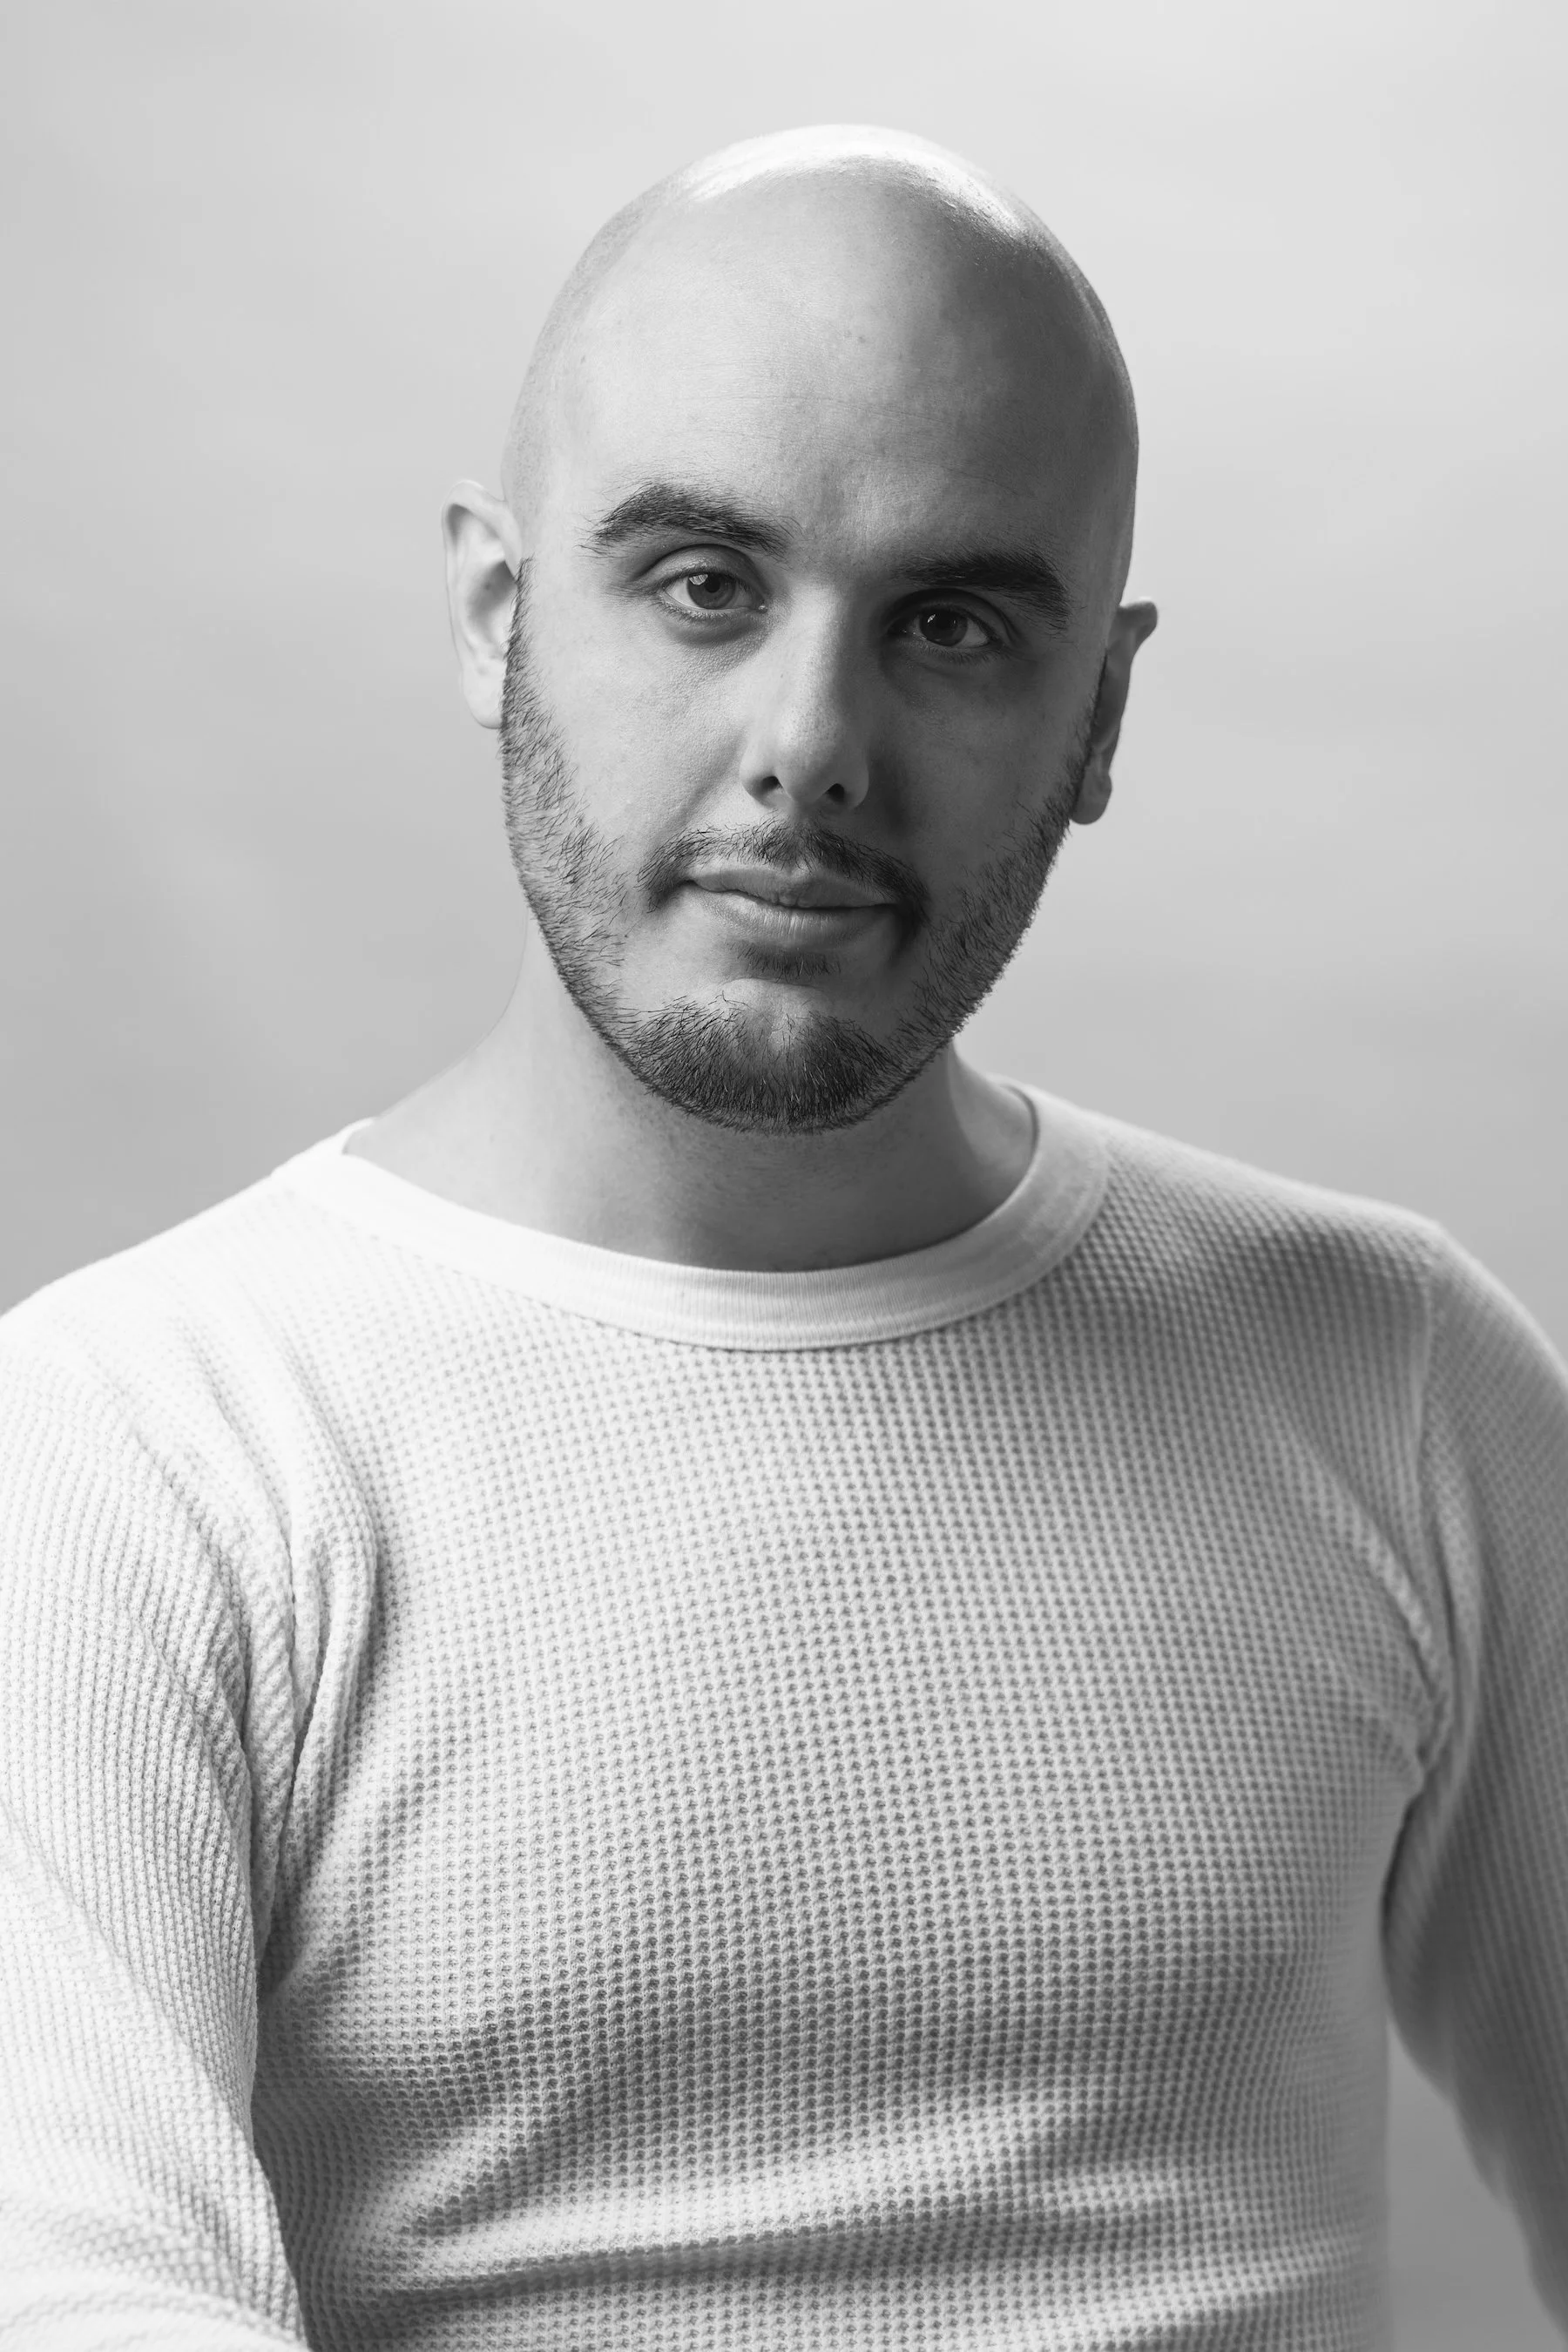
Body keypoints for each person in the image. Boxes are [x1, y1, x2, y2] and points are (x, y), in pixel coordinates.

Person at [1, 123, 1565, 2352]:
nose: (810, 749)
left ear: (1097, 714)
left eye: (949, 625)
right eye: (706, 584)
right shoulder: (123, 1455)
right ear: (494, 611)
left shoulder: (1400, 1379)